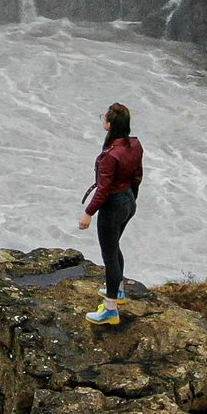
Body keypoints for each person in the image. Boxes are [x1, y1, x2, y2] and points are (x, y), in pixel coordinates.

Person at [77, 102, 143, 325]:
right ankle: (120, 290)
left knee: (110, 256)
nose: (102, 120)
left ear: (110, 124)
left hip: (113, 206)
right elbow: (137, 176)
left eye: (104, 118)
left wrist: (88, 213)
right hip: (128, 201)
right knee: (115, 247)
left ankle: (110, 309)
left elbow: (103, 190)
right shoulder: (135, 145)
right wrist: (131, 199)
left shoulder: (110, 156)